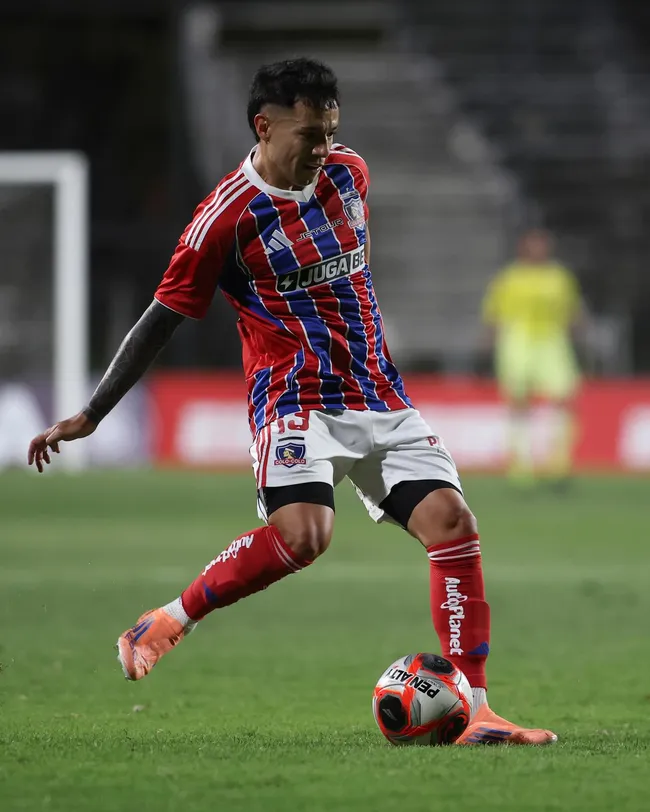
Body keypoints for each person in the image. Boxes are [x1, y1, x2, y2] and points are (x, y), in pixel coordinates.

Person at [28, 58, 555, 746]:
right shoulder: (224, 218)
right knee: (306, 537)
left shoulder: (349, 174)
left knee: (453, 523)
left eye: (331, 133)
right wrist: (93, 413)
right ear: (264, 127)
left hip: (376, 393)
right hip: (293, 401)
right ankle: (166, 620)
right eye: (309, 135)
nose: (322, 150)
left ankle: (476, 709)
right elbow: (161, 317)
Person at [482, 229, 583, 488]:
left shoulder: (559, 277)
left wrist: (579, 336)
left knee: (563, 399)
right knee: (518, 402)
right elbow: (494, 314)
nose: (540, 250)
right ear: (524, 248)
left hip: (552, 341)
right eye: (534, 245)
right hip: (518, 341)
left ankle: (559, 465)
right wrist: (490, 345)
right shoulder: (510, 278)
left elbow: (572, 311)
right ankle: (521, 467)